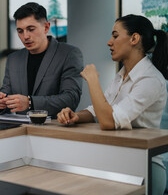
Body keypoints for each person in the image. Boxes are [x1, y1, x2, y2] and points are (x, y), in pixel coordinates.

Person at [57, 14, 168, 195]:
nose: (109, 42)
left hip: (144, 167)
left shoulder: (151, 79)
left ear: (134, 38)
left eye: (115, 36)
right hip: (120, 161)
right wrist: (77, 116)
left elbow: (109, 121)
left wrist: (93, 80)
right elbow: (99, 110)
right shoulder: (122, 75)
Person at [0, 2, 83, 118]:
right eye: (20, 31)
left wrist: (30, 102)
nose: (25, 36)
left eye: (30, 29)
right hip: (20, 129)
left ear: (46, 27)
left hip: (54, 129)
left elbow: (71, 98)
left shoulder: (69, 54)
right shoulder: (13, 59)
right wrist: (1, 102)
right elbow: (6, 94)